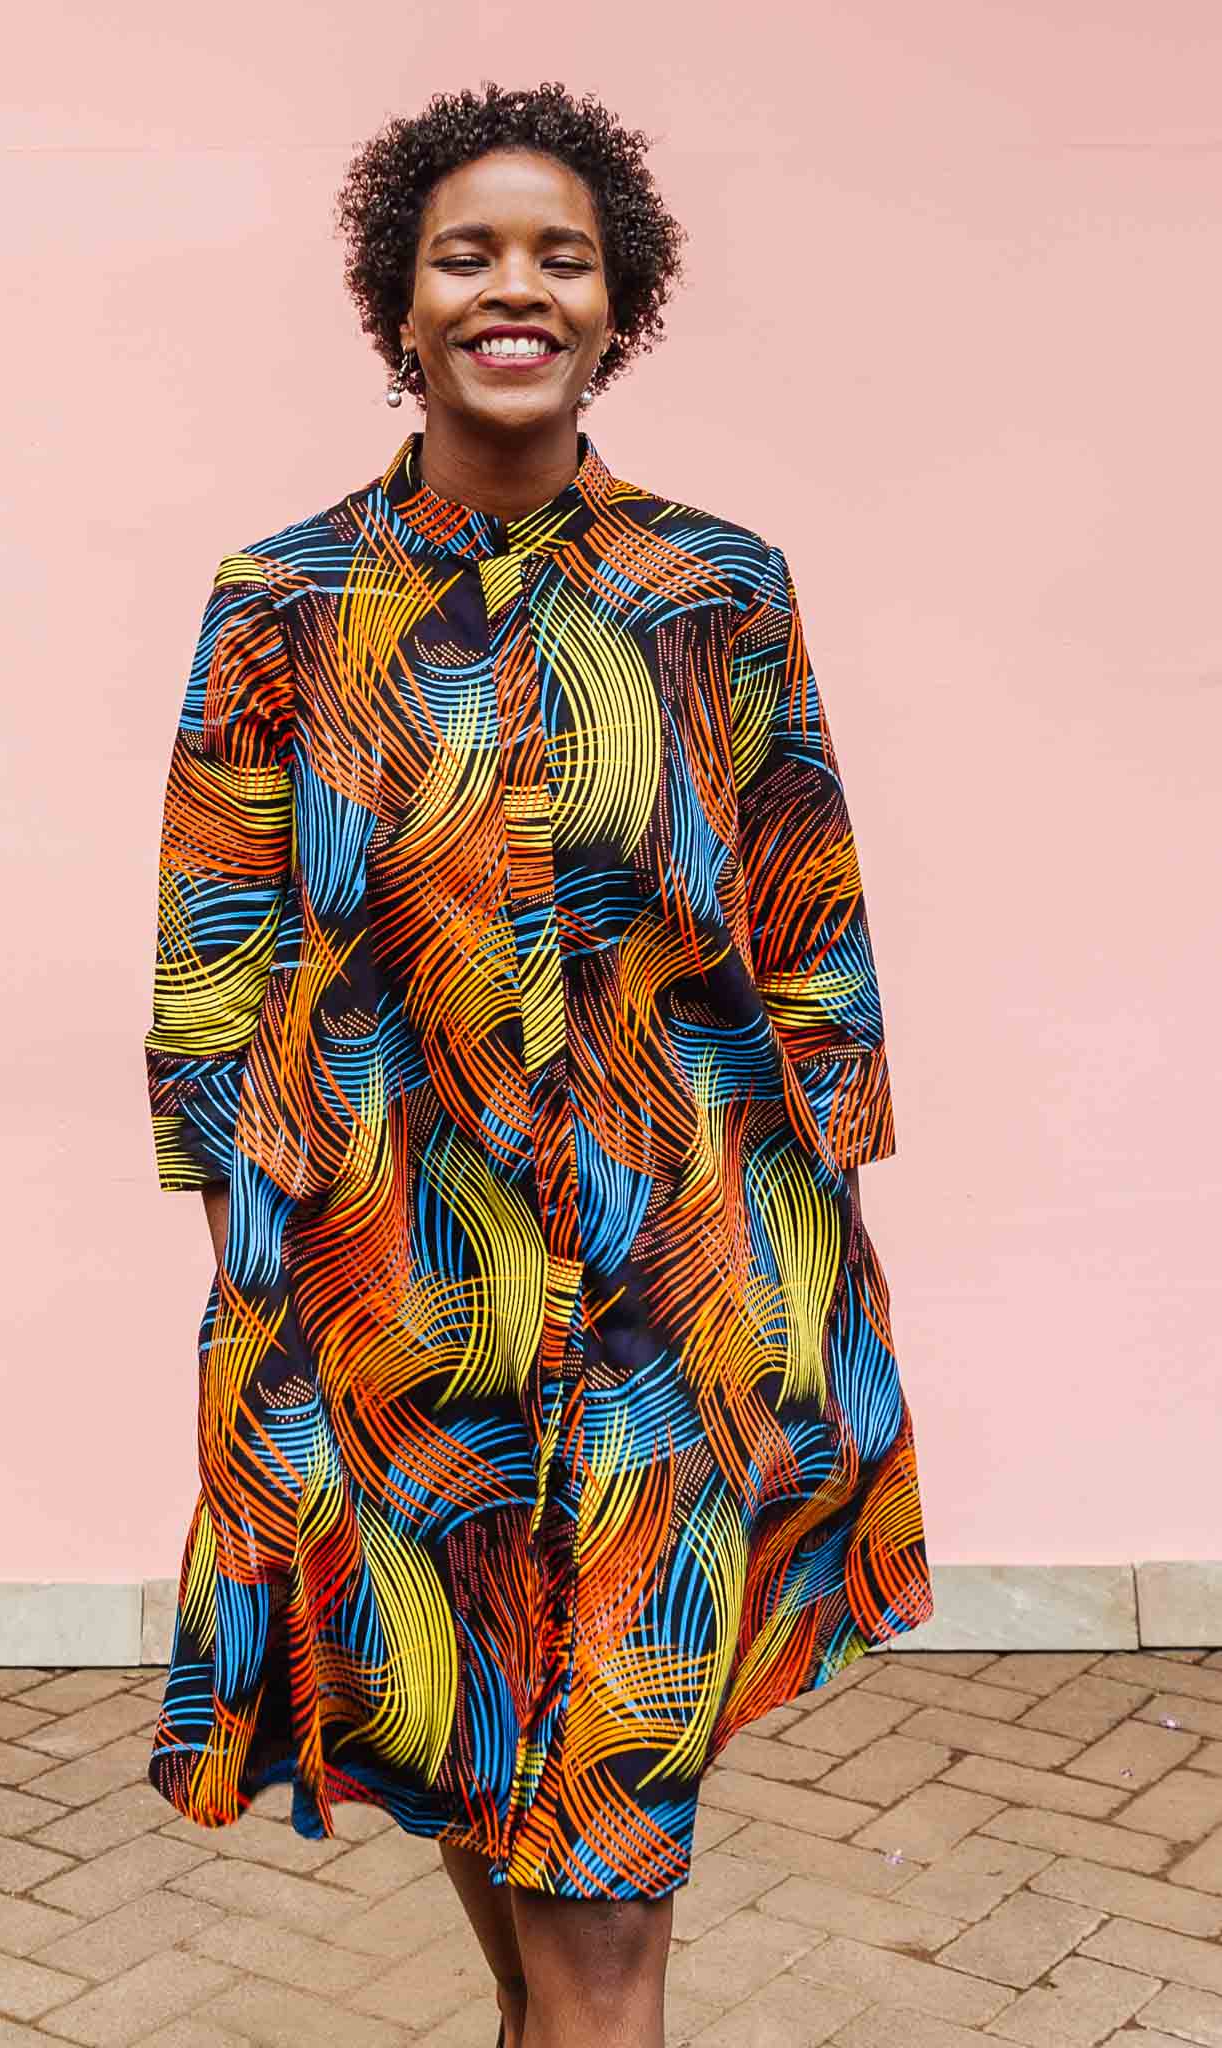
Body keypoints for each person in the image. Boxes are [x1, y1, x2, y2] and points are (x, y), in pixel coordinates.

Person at [141, 79, 934, 2048]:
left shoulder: (714, 589)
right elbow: (218, 917)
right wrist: (240, 1231)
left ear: (616, 304)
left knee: (607, 1883)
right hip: (400, 1293)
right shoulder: (287, 600)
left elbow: (803, 890)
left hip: (679, 1296)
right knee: (480, 1749)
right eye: (468, 254)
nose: (517, 288)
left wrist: (830, 1207)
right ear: (398, 310)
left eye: (561, 256)